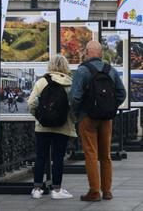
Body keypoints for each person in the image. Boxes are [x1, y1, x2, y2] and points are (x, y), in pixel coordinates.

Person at [69, 40, 126, 201]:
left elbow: (74, 97)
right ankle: (107, 191)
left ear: (87, 52)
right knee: (105, 155)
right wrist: (111, 107)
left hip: (87, 117)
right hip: (107, 118)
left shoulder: (82, 71)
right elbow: (122, 93)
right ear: (100, 54)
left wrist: (77, 113)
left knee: (91, 153)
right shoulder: (111, 70)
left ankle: (94, 191)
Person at [28, 54, 77, 199]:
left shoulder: (42, 82)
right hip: (63, 127)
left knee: (41, 156)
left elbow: (31, 103)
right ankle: (57, 189)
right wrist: (72, 120)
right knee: (58, 157)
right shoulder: (69, 83)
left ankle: (37, 189)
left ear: (50, 66)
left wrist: (39, 117)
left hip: (42, 127)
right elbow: (74, 107)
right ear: (65, 66)